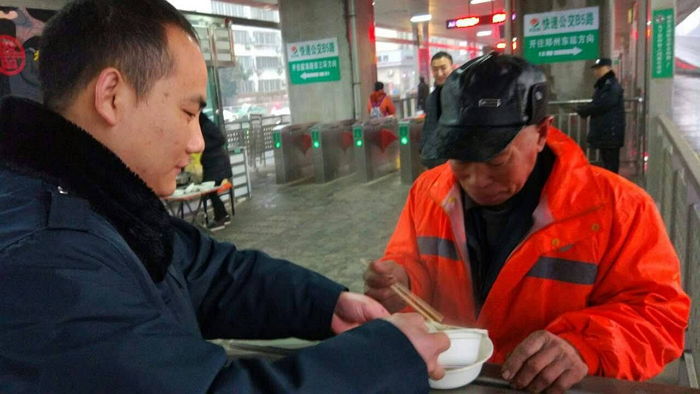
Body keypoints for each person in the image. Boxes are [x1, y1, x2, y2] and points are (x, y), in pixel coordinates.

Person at [0, 1, 450, 392]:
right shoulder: (43, 257)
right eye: (188, 111)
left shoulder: (98, 202)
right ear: (111, 95)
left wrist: (324, 303)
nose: (198, 142)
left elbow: (210, 274)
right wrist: (388, 357)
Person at [364, 53, 689, 393]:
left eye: (496, 161)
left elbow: (659, 317)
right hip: (454, 381)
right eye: (460, 159)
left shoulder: (619, 208)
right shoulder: (427, 193)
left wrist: (586, 346)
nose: (476, 180)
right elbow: (409, 268)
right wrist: (399, 282)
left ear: (541, 133)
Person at [576, 57, 626, 173]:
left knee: (611, 166)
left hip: (610, 133)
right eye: (595, 69)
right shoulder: (604, 85)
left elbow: (603, 104)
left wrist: (585, 110)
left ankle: (612, 190)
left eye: (599, 68)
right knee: (607, 164)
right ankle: (609, 188)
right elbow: (599, 103)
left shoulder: (611, 86)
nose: (596, 71)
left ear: (608, 68)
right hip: (606, 133)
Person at [419, 51, 453, 168]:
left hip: (454, 161)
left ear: (451, 67)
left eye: (443, 68)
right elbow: (429, 126)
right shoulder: (431, 98)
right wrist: (423, 149)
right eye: (435, 69)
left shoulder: (462, 95)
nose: (439, 73)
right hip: (434, 160)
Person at [199, 112, 232, 231]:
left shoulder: (206, 125)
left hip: (218, 164)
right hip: (212, 164)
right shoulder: (201, 126)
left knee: (210, 191)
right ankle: (223, 215)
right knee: (211, 191)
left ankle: (221, 217)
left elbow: (221, 139)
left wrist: (203, 145)